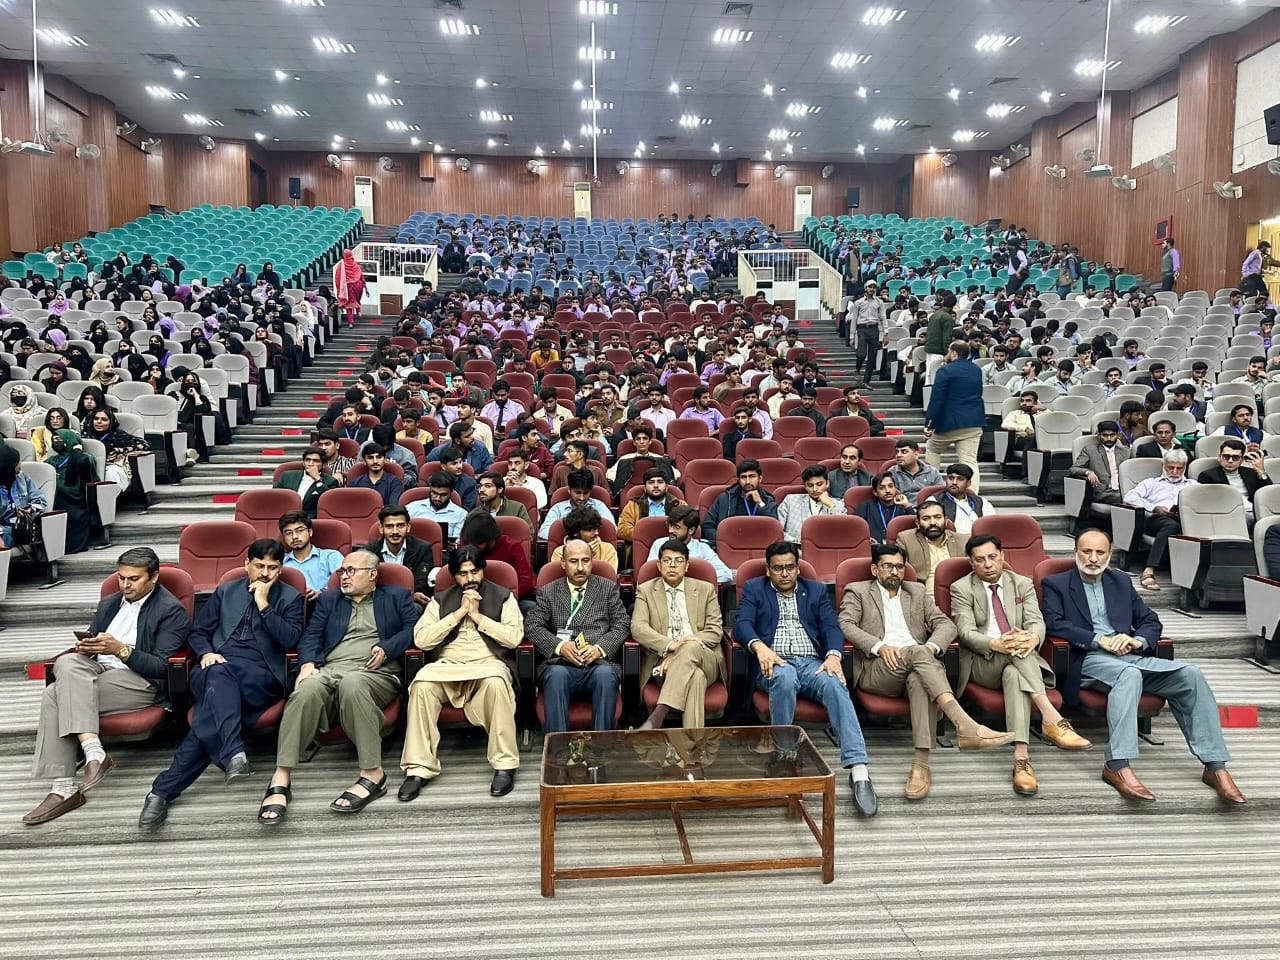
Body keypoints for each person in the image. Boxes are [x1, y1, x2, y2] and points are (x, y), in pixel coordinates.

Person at [1042, 530, 1245, 804]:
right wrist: (1099, 640)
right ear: (1076, 552)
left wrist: (1137, 640)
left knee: (1190, 674)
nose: (1093, 558)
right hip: (1089, 659)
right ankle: (1116, 764)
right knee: (1129, 675)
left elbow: (1150, 620)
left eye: (1100, 552)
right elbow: (1054, 623)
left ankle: (1215, 765)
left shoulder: (1120, 581)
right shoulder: (1056, 583)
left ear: (1109, 555)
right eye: (1086, 552)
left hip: (1129, 656)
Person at [138, 539, 304, 829]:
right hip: (214, 667)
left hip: (260, 676)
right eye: (259, 566)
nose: (265, 573)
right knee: (217, 673)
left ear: (281, 569)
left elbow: (290, 639)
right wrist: (206, 652)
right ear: (246, 565)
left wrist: (263, 604)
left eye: (272, 568)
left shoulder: (290, 598)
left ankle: (161, 792)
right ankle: (232, 751)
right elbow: (198, 632)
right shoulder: (226, 591)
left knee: (209, 711)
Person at [24, 548, 191, 825]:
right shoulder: (110, 603)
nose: (125, 585)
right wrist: (88, 647)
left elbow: (163, 667)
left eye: (133, 579)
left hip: (138, 681)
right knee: (67, 661)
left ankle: (64, 786)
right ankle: (93, 750)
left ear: (153, 577)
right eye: (121, 577)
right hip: (97, 671)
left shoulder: (171, 610)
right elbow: (93, 641)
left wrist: (121, 650)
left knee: (54, 694)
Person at [839, 543, 1013, 801]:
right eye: (887, 566)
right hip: (878, 669)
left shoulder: (917, 591)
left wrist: (931, 646)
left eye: (899, 567)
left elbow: (946, 624)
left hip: (918, 665)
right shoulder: (858, 591)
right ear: (875, 569)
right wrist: (879, 646)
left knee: (920, 677)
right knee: (919, 655)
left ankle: (920, 765)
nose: (894, 572)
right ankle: (963, 724)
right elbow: (846, 623)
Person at [258, 551, 419, 823]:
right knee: (306, 689)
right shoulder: (330, 600)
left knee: (352, 683)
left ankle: (373, 773)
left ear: (372, 574)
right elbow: (311, 635)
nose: (344, 576)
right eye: (342, 571)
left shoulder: (396, 596)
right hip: (330, 668)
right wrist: (308, 663)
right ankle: (281, 776)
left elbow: (413, 628)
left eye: (351, 571)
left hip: (375, 671)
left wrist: (387, 648)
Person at [736, 541, 878, 817]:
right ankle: (784, 754)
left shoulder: (814, 590)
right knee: (785, 677)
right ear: (767, 570)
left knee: (834, 682)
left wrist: (834, 655)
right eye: (778, 568)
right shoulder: (755, 589)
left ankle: (859, 769)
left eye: (790, 567)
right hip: (775, 662)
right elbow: (742, 624)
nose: (785, 573)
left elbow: (830, 626)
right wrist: (759, 647)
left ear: (798, 568)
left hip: (812, 663)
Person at [951, 534, 1091, 796]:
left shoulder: (1022, 583)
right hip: (983, 661)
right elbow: (965, 632)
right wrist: (996, 644)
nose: (988, 564)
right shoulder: (961, 588)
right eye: (980, 560)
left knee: (1015, 674)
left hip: (1018, 659)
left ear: (1002, 556)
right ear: (971, 562)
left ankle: (1021, 758)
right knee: (1017, 650)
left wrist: (1033, 638)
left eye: (992, 557)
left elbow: (1036, 622)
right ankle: (1052, 718)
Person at [398, 546, 523, 801]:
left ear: (483, 570)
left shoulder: (503, 597)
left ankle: (504, 764)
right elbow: (422, 640)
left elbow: (513, 638)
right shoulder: (440, 600)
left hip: (488, 662)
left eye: (474, 572)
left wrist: (477, 617)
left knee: (496, 682)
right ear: (454, 575)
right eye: (463, 574)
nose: (470, 579)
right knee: (421, 685)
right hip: (448, 664)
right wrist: (458, 614)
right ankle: (418, 768)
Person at [525, 539, 628, 732]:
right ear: (563, 563)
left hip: (598, 664)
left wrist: (600, 649)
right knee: (556, 676)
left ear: (592, 562)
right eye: (574, 561)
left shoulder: (607, 588)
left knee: (606, 676)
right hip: (561, 664)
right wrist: (560, 646)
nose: (580, 567)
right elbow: (532, 626)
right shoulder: (548, 592)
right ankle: (558, 747)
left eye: (585, 561)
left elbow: (622, 624)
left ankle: (602, 745)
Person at [630, 539, 725, 730]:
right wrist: (672, 646)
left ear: (687, 566)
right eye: (667, 560)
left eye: (679, 561)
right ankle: (692, 744)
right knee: (696, 677)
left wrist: (684, 647)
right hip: (662, 663)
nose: (672, 565)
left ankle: (658, 716)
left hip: (706, 659)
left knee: (691, 647)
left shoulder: (705, 589)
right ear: (659, 565)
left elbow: (715, 631)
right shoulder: (646, 590)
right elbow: (638, 628)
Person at [923, 341, 984, 487]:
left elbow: (937, 398)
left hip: (950, 422)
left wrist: (929, 423)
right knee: (969, 461)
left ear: (954, 353)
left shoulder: (945, 370)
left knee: (932, 448)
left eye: (948, 351)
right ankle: (973, 494)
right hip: (974, 421)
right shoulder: (976, 369)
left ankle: (933, 488)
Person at [701, 458, 778, 547]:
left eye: (752, 476)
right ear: (738, 479)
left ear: (760, 478)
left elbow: (774, 528)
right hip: (730, 547)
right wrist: (725, 540)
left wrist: (760, 503)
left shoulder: (768, 500)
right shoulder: (725, 499)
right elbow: (707, 526)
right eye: (743, 477)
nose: (747, 481)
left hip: (760, 546)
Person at [646, 505, 734, 583]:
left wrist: (693, 579)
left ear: (691, 530)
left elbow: (726, 575)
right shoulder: (658, 544)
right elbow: (648, 574)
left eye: (676, 527)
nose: (670, 530)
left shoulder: (703, 549)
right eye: (670, 525)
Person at [895, 499, 965, 594]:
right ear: (918, 523)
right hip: (923, 596)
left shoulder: (963, 540)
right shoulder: (906, 539)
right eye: (926, 518)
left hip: (958, 596)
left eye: (937, 517)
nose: (932, 522)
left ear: (946, 520)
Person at [1197, 437, 1270, 526]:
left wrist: (1261, 471)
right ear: (1219, 457)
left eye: (1235, 457)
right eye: (1226, 457)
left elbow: (1268, 495)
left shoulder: (1251, 473)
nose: (1230, 461)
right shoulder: (1208, 476)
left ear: (1242, 460)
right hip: (1230, 513)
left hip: (1255, 510)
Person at [279, 510, 343, 600]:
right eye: (288, 533)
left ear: (310, 532)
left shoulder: (331, 556)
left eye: (299, 531)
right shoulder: (280, 562)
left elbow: (346, 581)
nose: (294, 537)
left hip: (325, 604)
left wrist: (322, 593)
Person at [777, 464, 847, 542]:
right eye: (810, 485)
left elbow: (843, 531)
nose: (815, 489)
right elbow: (777, 531)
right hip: (794, 546)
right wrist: (794, 540)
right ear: (805, 486)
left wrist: (830, 505)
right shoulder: (790, 500)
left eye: (819, 484)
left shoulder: (838, 504)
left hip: (826, 546)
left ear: (827, 484)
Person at [616, 468, 685, 544]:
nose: (656, 486)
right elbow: (622, 529)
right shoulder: (633, 505)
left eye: (660, 482)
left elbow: (687, 528)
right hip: (642, 545)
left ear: (666, 487)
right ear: (645, 488)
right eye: (651, 482)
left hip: (673, 546)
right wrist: (647, 536)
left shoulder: (679, 505)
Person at [538, 468, 612, 538]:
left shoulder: (599, 506)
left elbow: (611, 529)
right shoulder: (558, 508)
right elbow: (543, 532)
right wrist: (573, 537)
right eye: (577, 493)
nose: (581, 498)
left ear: (591, 491)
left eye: (585, 493)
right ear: (569, 490)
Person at [1070, 420, 1129, 506]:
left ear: (1118, 435)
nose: (1109, 438)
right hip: (1103, 492)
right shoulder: (1090, 450)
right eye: (1105, 435)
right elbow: (1073, 469)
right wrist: (1088, 472)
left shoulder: (1126, 452)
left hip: (1123, 490)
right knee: (1125, 498)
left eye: (1112, 435)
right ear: (1099, 435)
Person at [925, 463, 993, 535]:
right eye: (951, 478)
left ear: (968, 483)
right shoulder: (934, 501)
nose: (954, 482)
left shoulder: (982, 502)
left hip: (979, 539)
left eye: (960, 479)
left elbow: (990, 525)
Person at [0, 446, 47, 549]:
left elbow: (41, 501)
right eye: (17, 463)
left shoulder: (23, 478)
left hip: (21, 527)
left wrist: (29, 509)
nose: (20, 466)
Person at [274, 447, 339, 519]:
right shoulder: (287, 476)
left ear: (324, 464)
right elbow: (275, 497)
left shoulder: (331, 482)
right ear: (303, 462)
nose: (310, 464)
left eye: (315, 461)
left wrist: (317, 479)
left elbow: (328, 503)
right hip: (285, 517)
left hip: (310, 520)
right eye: (308, 460)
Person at [550, 505, 619, 571]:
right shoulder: (559, 553)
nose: (596, 533)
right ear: (575, 532)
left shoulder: (608, 549)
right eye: (589, 529)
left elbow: (609, 577)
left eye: (596, 528)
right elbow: (561, 578)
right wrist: (584, 553)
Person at [468, 471, 535, 538]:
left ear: (500, 489)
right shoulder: (475, 514)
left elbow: (528, 535)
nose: (481, 490)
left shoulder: (517, 508)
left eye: (487, 486)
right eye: (480, 486)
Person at [854, 470, 915, 543]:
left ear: (895, 488)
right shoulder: (866, 507)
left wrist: (907, 505)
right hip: (874, 547)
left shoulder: (903, 508)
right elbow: (855, 528)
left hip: (899, 547)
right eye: (882, 488)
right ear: (875, 492)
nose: (887, 490)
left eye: (890, 486)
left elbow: (916, 527)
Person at [408, 473, 470, 541]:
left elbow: (457, 542)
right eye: (434, 493)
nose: (437, 498)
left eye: (443, 495)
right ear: (430, 489)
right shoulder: (412, 507)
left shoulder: (461, 515)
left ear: (451, 492)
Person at [849, 280, 887, 380]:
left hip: (874, 329)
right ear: (865, 288)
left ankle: (866, 380)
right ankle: (857, 369)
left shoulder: (879, 302)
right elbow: (854, 319)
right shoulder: (858, 302)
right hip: (862, 329)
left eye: (874, 287)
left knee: (872, 356)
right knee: (861, 354)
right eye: (870, 287)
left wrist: (885, 333)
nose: (872, 289)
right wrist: (852, 337)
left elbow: (883, 317)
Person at [335, 249, 365, 327]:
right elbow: (361, 276)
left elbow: (338, 277)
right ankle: (359, 311)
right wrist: (365, 286)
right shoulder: (356, 265)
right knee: (356, 300)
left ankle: (351, 323)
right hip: (358, 285)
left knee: (349, 304)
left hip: (348, 287)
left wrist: (339, 288)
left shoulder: (341, 265)